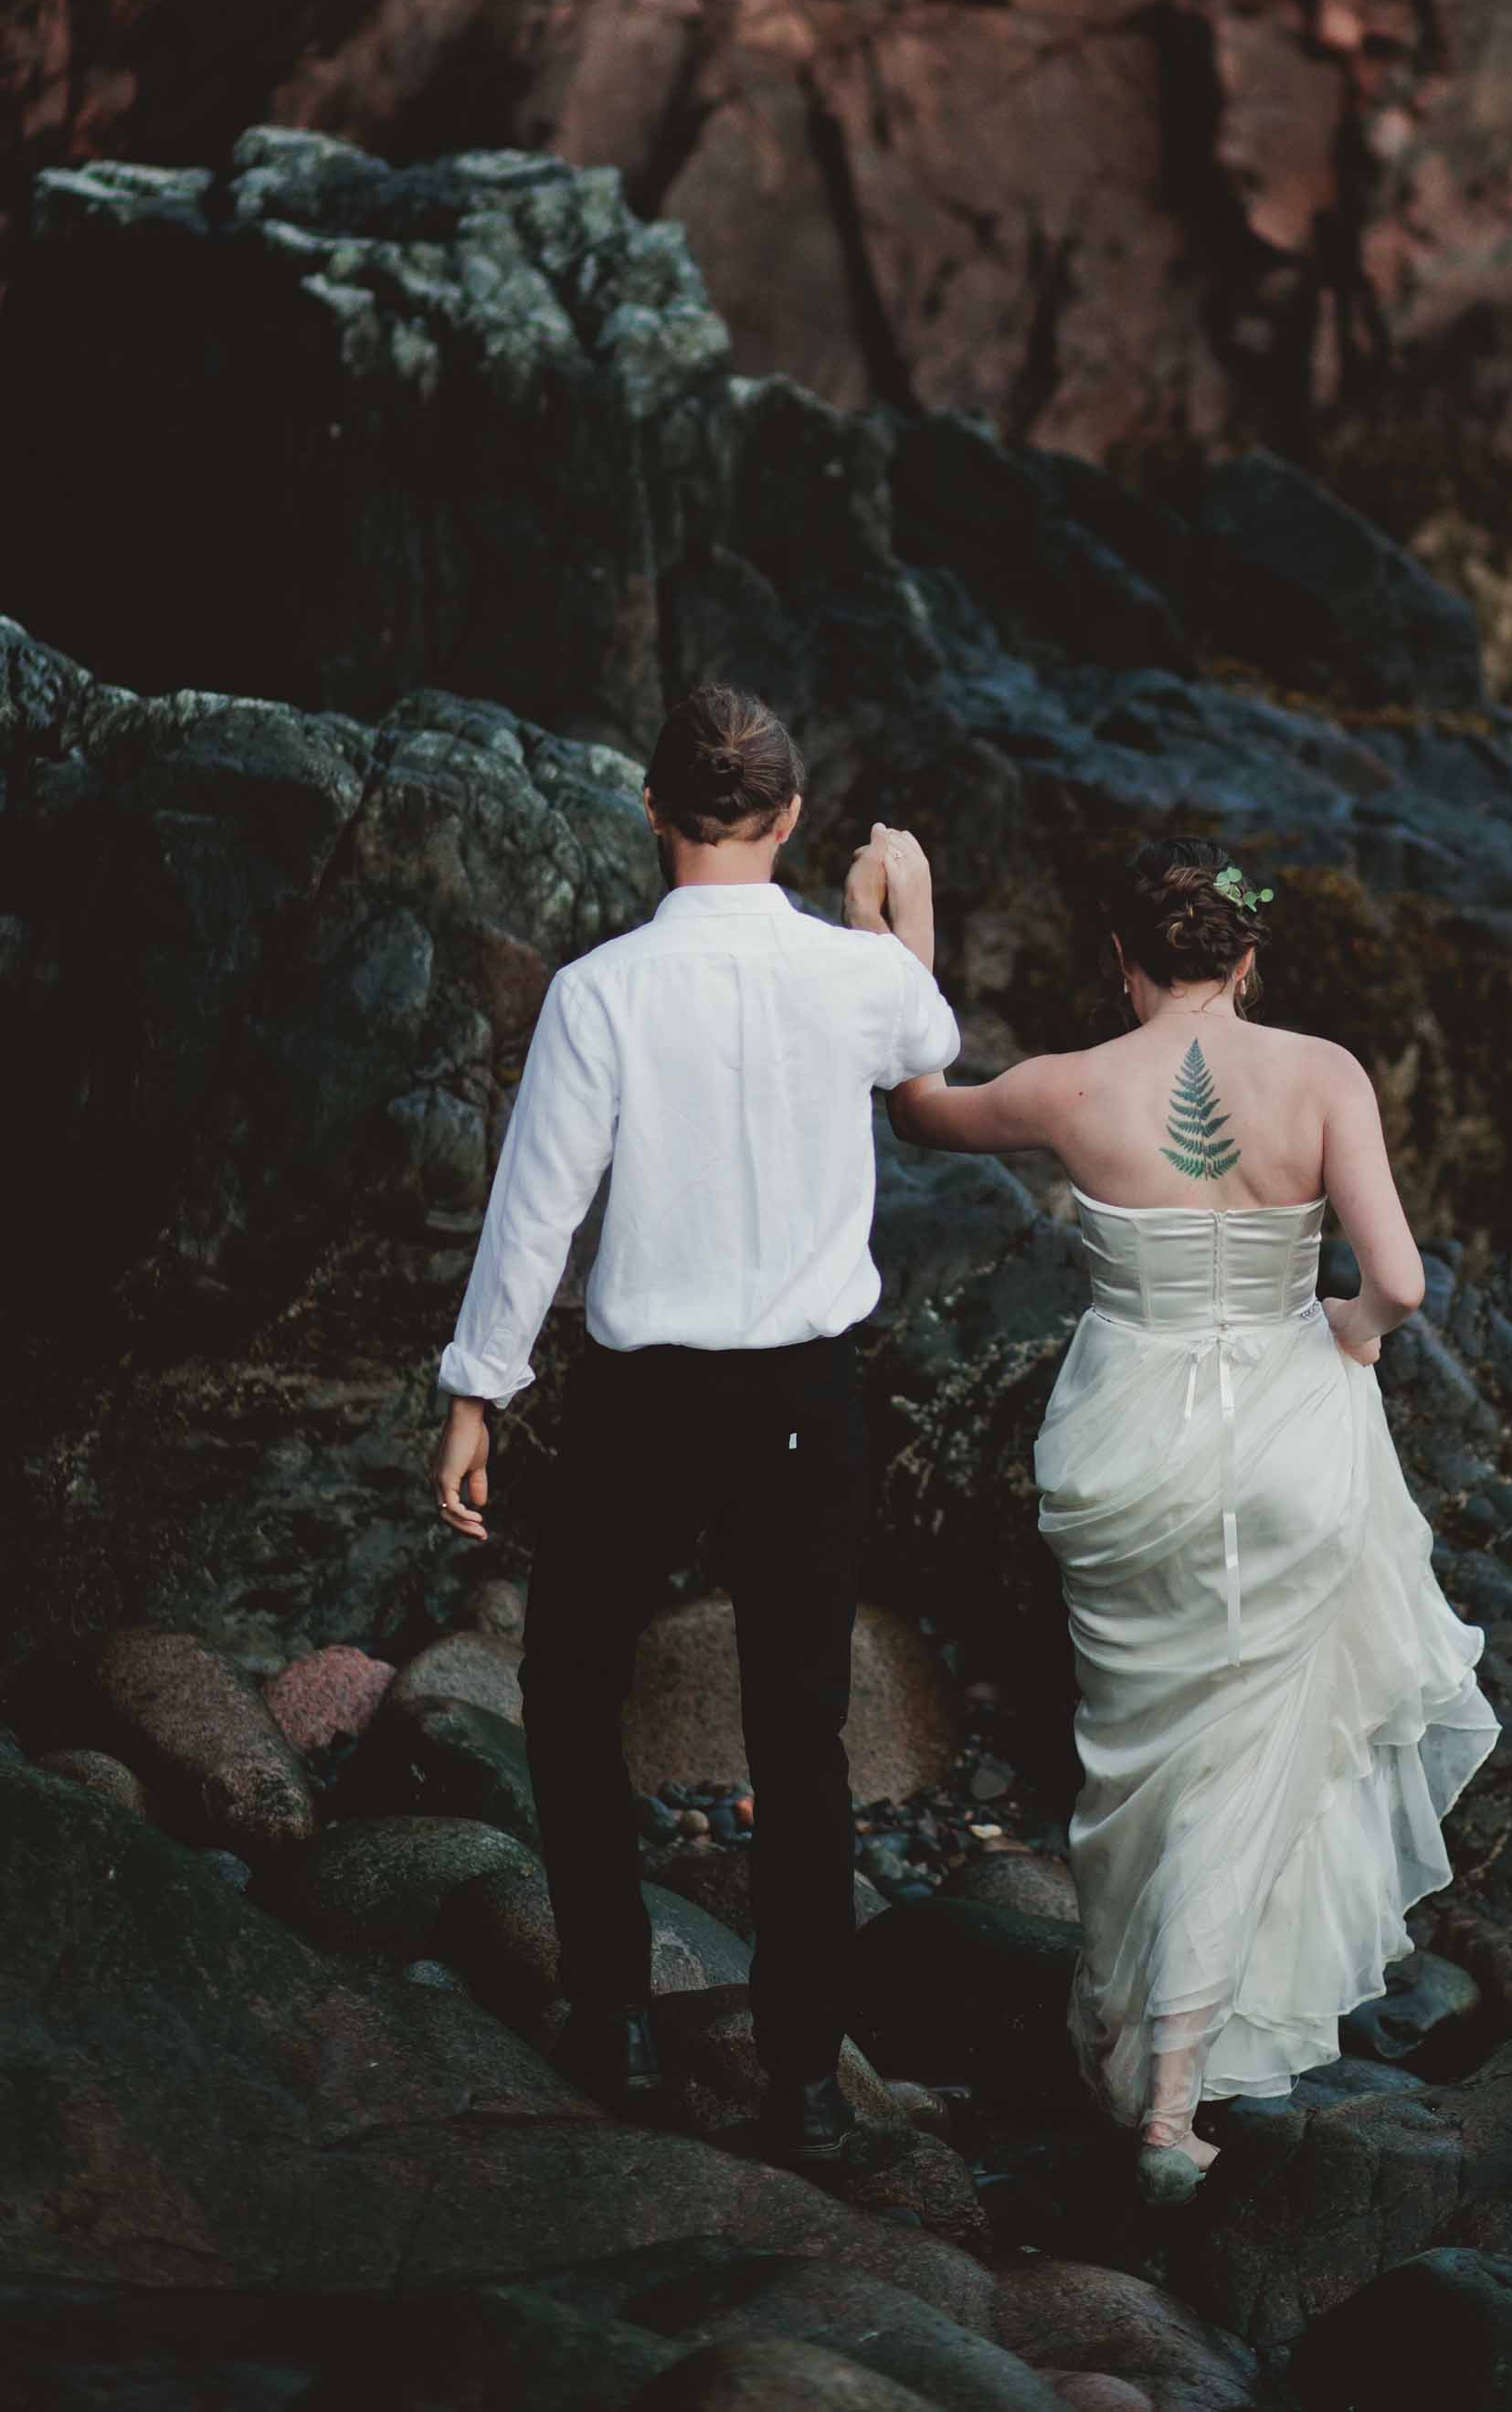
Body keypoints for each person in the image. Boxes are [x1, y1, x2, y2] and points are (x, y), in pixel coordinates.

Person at [886, 831, 1498, 2201]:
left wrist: (904, 915)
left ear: (1121, 962)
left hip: (1128, 1450)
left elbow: (918, 1108)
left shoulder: (1071, 1083)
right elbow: (1396, 1278)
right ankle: (1172, 2091)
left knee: (1141, 1763)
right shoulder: (1325, 1074)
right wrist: (1343, 1326)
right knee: (1250, 1753)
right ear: (1249, 954)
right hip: (1288, 1442)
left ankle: (1143, 2067)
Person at [427, 682, 957, 2150]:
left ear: (652, 814)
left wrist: (480, 1386)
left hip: (642, 1398)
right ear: (786, 819)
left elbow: (537, 1211)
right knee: (803, 1728)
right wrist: (890, 907)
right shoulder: (852, 977)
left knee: (567, 1682)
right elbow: (930, 1026)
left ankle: (615, 2016)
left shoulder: (602, 991)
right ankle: (802, 2084)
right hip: (806, 1394)